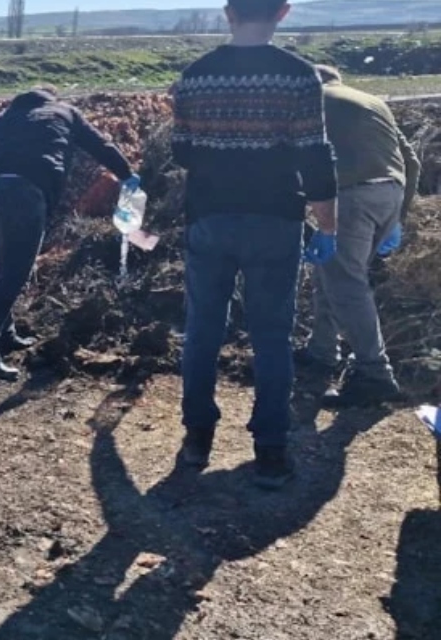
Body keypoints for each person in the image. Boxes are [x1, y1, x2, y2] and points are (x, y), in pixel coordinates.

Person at [169, 0, 338, 490]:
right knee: (271, 335)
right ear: (282, 14)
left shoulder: (195, 76)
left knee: (202, 329)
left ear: (228, 13)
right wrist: (326, 225)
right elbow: (315, 154)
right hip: (275, 219)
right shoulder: (299, 76)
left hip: (208, 217)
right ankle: (270, 451)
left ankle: (197, 439)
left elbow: (180, 151)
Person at [0, 86, 138, 382]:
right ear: (51, 99)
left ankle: (5, 334)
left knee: (1, 268)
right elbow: (100, 146)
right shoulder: (64, 112)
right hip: (25, 192)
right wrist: (127, 174)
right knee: (16, 273)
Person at [300, 64, 421, 407]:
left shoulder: (311, 100)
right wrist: (398, 216)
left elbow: (298, 156)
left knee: (348, 285)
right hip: (390, 193)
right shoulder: (372, 101)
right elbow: (410, 161)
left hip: (350, 196)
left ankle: (375, 373)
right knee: (333, 274)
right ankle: (321, 350)